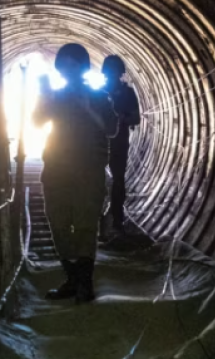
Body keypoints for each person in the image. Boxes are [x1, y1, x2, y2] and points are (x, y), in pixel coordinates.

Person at [32, 43, 119, 303]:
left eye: (72, 64)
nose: (67, 69)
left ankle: (85, 283)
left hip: (88, 171)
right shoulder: (55, 95)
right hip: (57, 169)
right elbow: (37, 122)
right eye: (64, 64)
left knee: (84, 225)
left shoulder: (99, 96)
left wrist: (87, 107)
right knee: (58, 224)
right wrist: (43, 95)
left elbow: (112, 129)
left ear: (82, 67)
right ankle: (72, 279)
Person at [101, 55, 140, 237]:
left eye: (113, 71)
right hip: (100, 143)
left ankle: (117, 220)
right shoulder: (99, 92)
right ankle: (101, 222)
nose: (111, 74)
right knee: (99, 181)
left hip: (118, 143)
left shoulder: (127, 93)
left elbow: (136, 118)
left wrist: (121, 118)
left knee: (117, 181)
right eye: (109, 71)